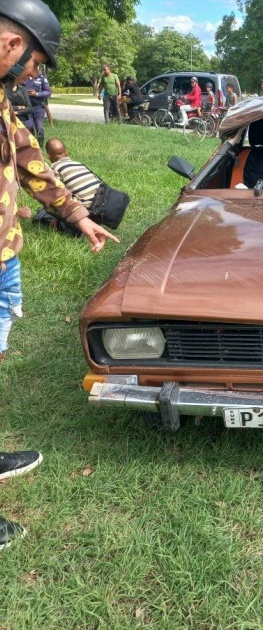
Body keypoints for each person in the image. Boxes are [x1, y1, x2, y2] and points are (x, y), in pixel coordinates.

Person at [0, 0, 120, 550]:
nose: (36, 75)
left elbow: (27, 157)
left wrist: (77, 215)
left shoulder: (2, 99)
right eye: (37, 64)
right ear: (11, 45)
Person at [37, 138, 127, 235]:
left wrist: (55, 217)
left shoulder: (55, 168)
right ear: (66, 152)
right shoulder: (79, 164)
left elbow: (57, 195)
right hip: (102, 204)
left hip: (88, 211)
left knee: (44, 211)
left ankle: (76, 228)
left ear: (48, 156)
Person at [19, 63, 46, 144]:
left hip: (38, 107)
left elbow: (47, 92)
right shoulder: (23, 77)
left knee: (39, 128)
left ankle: (40, 145)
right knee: (29, 127)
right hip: (27, 107)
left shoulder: (42, 79)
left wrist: (37, 94)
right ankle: (32, 144)